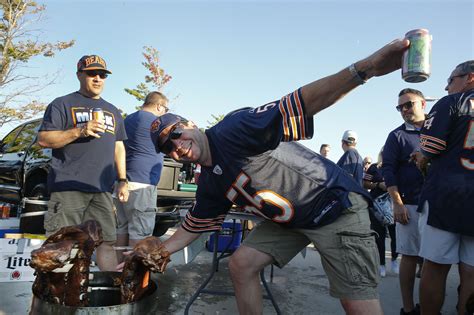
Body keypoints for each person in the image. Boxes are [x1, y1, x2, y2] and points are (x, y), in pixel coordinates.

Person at [133, 37, 410, 315]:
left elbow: (301, 103)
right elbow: (195, 226)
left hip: (334, 207)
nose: (176, 146)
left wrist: (366, 68)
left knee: (356, 302)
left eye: (176, 134)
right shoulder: (209, 180)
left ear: (190, 125)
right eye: (167, 147)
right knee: (241, 265)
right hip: (293, 221)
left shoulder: (233, 130)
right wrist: (152, 254)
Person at [38, 55, 129, 271]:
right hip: (68, 186)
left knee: (107, 242)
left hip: (102, 190)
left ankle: (110, 295)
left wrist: (123, 179)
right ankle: (56, 301)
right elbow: (43, 139)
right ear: (79, 74)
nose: (98, 78)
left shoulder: (113, 110)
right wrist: (80, 131)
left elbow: (118, 147)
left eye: (102, 75)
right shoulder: (62, 104)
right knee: (62, 245)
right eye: (92, 73)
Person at [412, 60, 474, 315]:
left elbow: (431, 147)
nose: (447, 86)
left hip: (447, 195)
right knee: (471, 270)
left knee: (435, 266)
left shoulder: (453, 102)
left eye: (451, 80)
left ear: (469, 77)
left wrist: (422, 157)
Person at [381, 88, 426, 315]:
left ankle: (429, 307)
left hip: (439, 203)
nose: (404, 110)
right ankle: (408, 309)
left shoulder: (439, 130)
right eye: (401, 107)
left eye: (409, 104)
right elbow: (388, 171)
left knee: (434, 259)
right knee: (410, 255)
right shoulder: (396, 136)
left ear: (423, 104)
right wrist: (397, 203)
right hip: (409, 204)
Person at [114, 92, 169, 259]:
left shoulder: (127, 119)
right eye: (165, 109)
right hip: (142, 183)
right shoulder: (156, 122)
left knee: (121, 228)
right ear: (159, 106)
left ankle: (118, 272)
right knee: (140, 232)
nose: (165, 112)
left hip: (121, 182)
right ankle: (133, 278)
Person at [363, 147, 398, 278]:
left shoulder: (396, 166)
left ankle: (395, 260)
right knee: (380, 236)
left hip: (393, 204)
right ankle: (381, 264)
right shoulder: (374, 167)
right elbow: (365, 183)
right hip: (377, 205)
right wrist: (378, 185)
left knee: (395, 234)